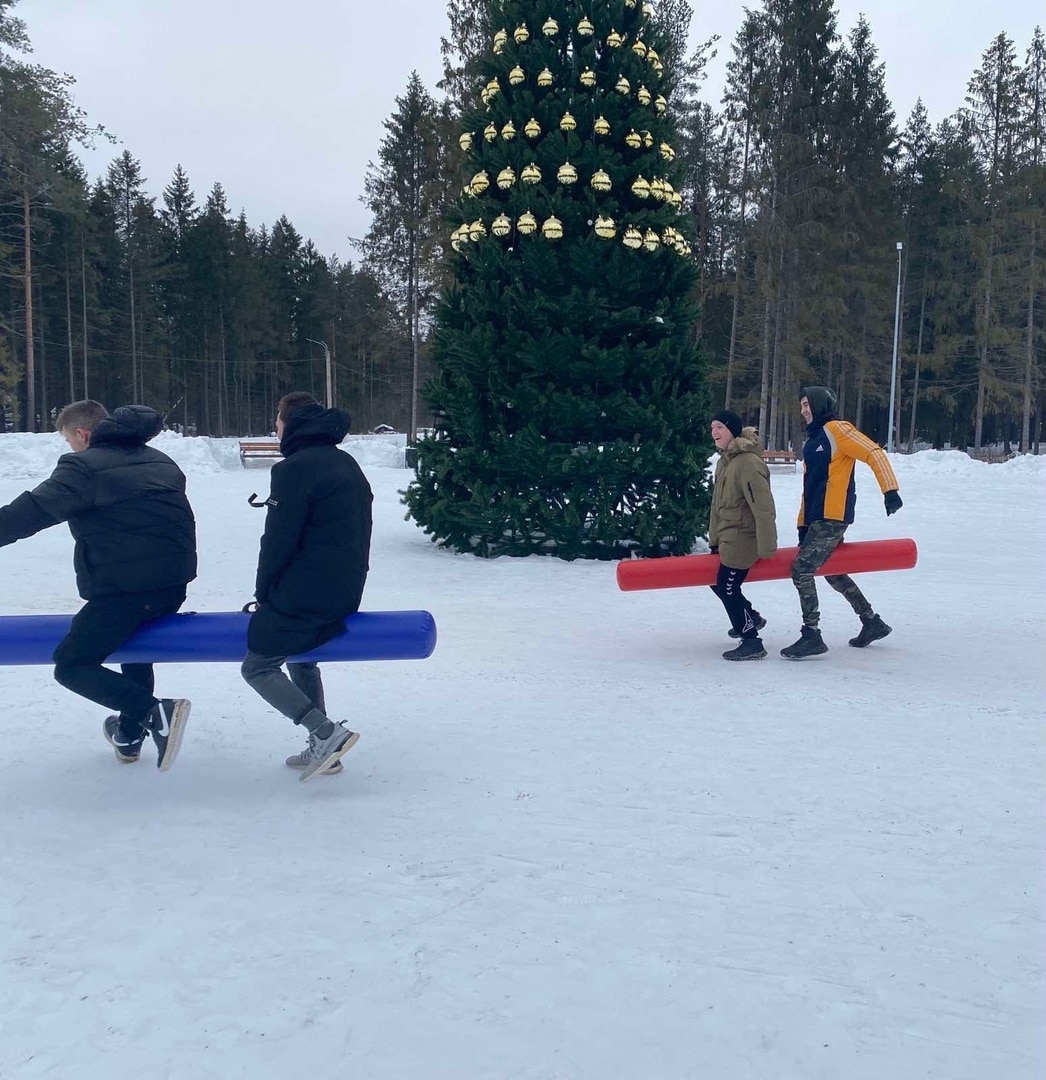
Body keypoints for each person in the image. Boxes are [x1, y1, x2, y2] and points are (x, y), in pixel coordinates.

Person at [0, 401, 196, 768]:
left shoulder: (84, 467)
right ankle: (129, 733)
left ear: (82, 434)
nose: (70, 448)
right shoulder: (159, 460)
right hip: (172, 584)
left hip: (126, 590)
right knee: (133, 647)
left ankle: (153, 712)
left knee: (72, 663)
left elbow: (29, 513)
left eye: (68, 440)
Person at [241, 392, 373, 782]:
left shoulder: (294, 469)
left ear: (289, 423)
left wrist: (265, 595)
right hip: (346, 585)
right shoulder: (344, 462)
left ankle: (326, 733)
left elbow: (278, 541)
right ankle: (324, 747)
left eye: (277, 421)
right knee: (302, 655)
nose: (275, 429)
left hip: (309, 587)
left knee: (258, 665)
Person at [782, 386, 903, 659]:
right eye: (801, 406)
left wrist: (890, 490)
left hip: (832, 516)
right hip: (817, 518)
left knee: (801, 569)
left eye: (807, 405)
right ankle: (871, 621)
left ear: (820, 404)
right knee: (833, 570)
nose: (803, 411)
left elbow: (874, 452)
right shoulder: (812, 441)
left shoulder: (838, 429)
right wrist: (803, 525)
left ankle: (811, 634)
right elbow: (809, 488)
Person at [707, 410, 778, 661]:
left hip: (743, 538)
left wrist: (768, 546)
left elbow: (763, 506)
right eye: (712, 427)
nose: (714, 432)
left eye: (720, 427)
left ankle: (751, 640)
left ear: (733, 431)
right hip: (728, 537)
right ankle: (752, 618)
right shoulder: (725, 463)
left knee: (727, 588)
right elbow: (717, 506)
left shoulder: (747, 463)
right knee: (717, 583)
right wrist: (714, 539)